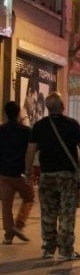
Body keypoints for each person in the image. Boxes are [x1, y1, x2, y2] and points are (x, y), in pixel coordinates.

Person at [24, 92, 80, 261]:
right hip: (67, 176)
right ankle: (65, 251)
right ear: (63, 107)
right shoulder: (72, 124)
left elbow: (31, 150)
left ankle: (48, 248)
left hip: (47, 176)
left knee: (48, 212)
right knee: (67, 214)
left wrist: (28, 172)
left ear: (46, 108)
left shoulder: (39, 126)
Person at [0, 101, 33, 244]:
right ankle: (19, 225)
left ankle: (8, 236)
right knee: (29, 197)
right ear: (19, 113)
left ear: (5, 113)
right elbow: (31, 151)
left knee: (6, 206)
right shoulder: (26, 131)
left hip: (4, 174)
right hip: (20, 172)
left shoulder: (0, 130)